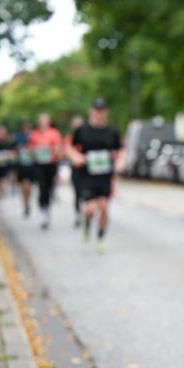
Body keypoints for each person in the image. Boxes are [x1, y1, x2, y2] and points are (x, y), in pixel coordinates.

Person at [68, 99, 124, 253]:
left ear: (106, 112)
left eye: (102, 110)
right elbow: (70, 148)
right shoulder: (82, 130)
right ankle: (87, 224)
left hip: (105, 175)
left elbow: (120, 149)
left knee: (104, 208)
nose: (99, 113)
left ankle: (100, 238)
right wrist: (76, 157)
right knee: (90, 210)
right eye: (97, 110)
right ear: (91, 111)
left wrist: (121, 161)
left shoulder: (112, 131)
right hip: (87, 175)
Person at [28, 113, 64, 230]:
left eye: (45, 120)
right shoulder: (34, 134)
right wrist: (35, 150)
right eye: (41, 120)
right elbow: (30, 149)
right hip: (39, 164)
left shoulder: (54, 133)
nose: (43, 122)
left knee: (49, 187)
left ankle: (47, 208)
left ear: (49, 121)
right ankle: (43, 209)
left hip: (51, 164)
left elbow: (59, 148)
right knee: (42, 186)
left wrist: (53, 149)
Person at [66, 114, 85, 227]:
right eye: (76, 126)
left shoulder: (88, 136)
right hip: (76, 170)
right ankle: (78, 213)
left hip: (87, 170)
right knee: (77, 193)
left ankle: (87, 211)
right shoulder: (70, 139)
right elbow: (67, 151)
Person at [14, 120, 36, 217]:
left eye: (28, 127)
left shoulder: (34, 136)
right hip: (22, 165)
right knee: (24, 186)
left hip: (31, 165)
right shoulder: (18, 137)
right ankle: (26, 205)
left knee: (29, 187)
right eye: (25, 127)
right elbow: (14, 150)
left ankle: (28, 202)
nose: (27, 129)